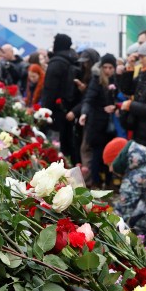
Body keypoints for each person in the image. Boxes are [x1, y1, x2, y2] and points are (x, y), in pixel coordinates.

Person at [104, 136, 146, 244]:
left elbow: (122, 210)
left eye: (109, 164)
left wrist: (101, 226)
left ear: (117, 158)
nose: (110, 170)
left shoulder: (135, 175)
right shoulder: (145, 157)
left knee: (132, 227)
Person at [78, 53, 118, 187]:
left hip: (110, 125)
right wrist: (84, 114)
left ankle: (108, 180)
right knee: (97, 155)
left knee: (110, 154)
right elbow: (88, 100)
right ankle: (96, 182)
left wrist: (115, 106)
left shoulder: (116, 80)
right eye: (105, 67)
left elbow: (120, 98)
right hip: (97, 125)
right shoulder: (96, 80)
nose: (107, 70)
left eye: (110, 68)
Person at [41, 33, 80, 162]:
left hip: (56, 110)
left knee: (56, 146)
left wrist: (44, 112)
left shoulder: (56, 63)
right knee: (69, 141)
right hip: (70, 108)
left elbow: (49, 89)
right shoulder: (73, 60)